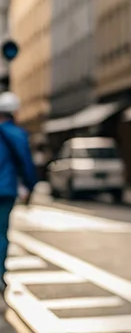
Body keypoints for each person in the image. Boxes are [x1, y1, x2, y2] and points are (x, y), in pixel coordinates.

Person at [0, 92, 38, 291]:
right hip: (5, 189)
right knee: (1, 232)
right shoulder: (17, 134)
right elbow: (26, 163)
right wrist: (30, 186)